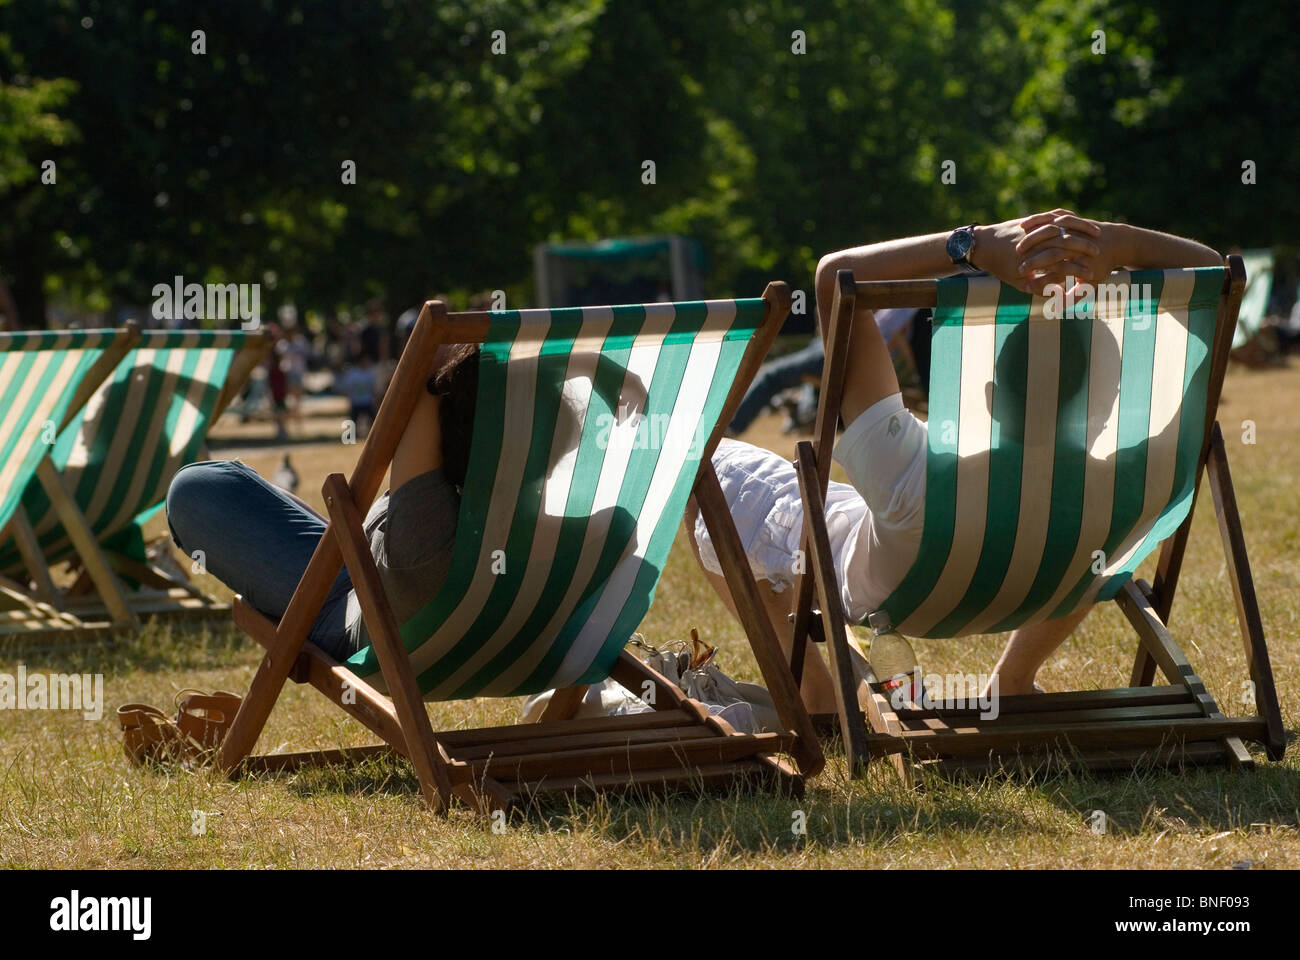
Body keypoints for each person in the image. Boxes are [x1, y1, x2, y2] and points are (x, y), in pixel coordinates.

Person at [688, 209, 1225, 714]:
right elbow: (1219, 280)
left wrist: (970, 244)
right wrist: (1120, 243)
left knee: (707, 475)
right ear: (1108, 402)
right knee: (1090, 542)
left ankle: (815, 691)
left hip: (896, 591)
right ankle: (1014, 679)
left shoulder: (911, 470)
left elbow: (834, 278)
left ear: (988, 397)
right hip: (1046, 582)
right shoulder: (1130, 482)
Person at [165, 344, 479, 661]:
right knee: (268, 495)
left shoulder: (426, 534)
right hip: (371, 580)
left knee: (193, 488)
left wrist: (435, 372)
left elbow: (426, 372)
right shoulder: (514, 515)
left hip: (356, 612)